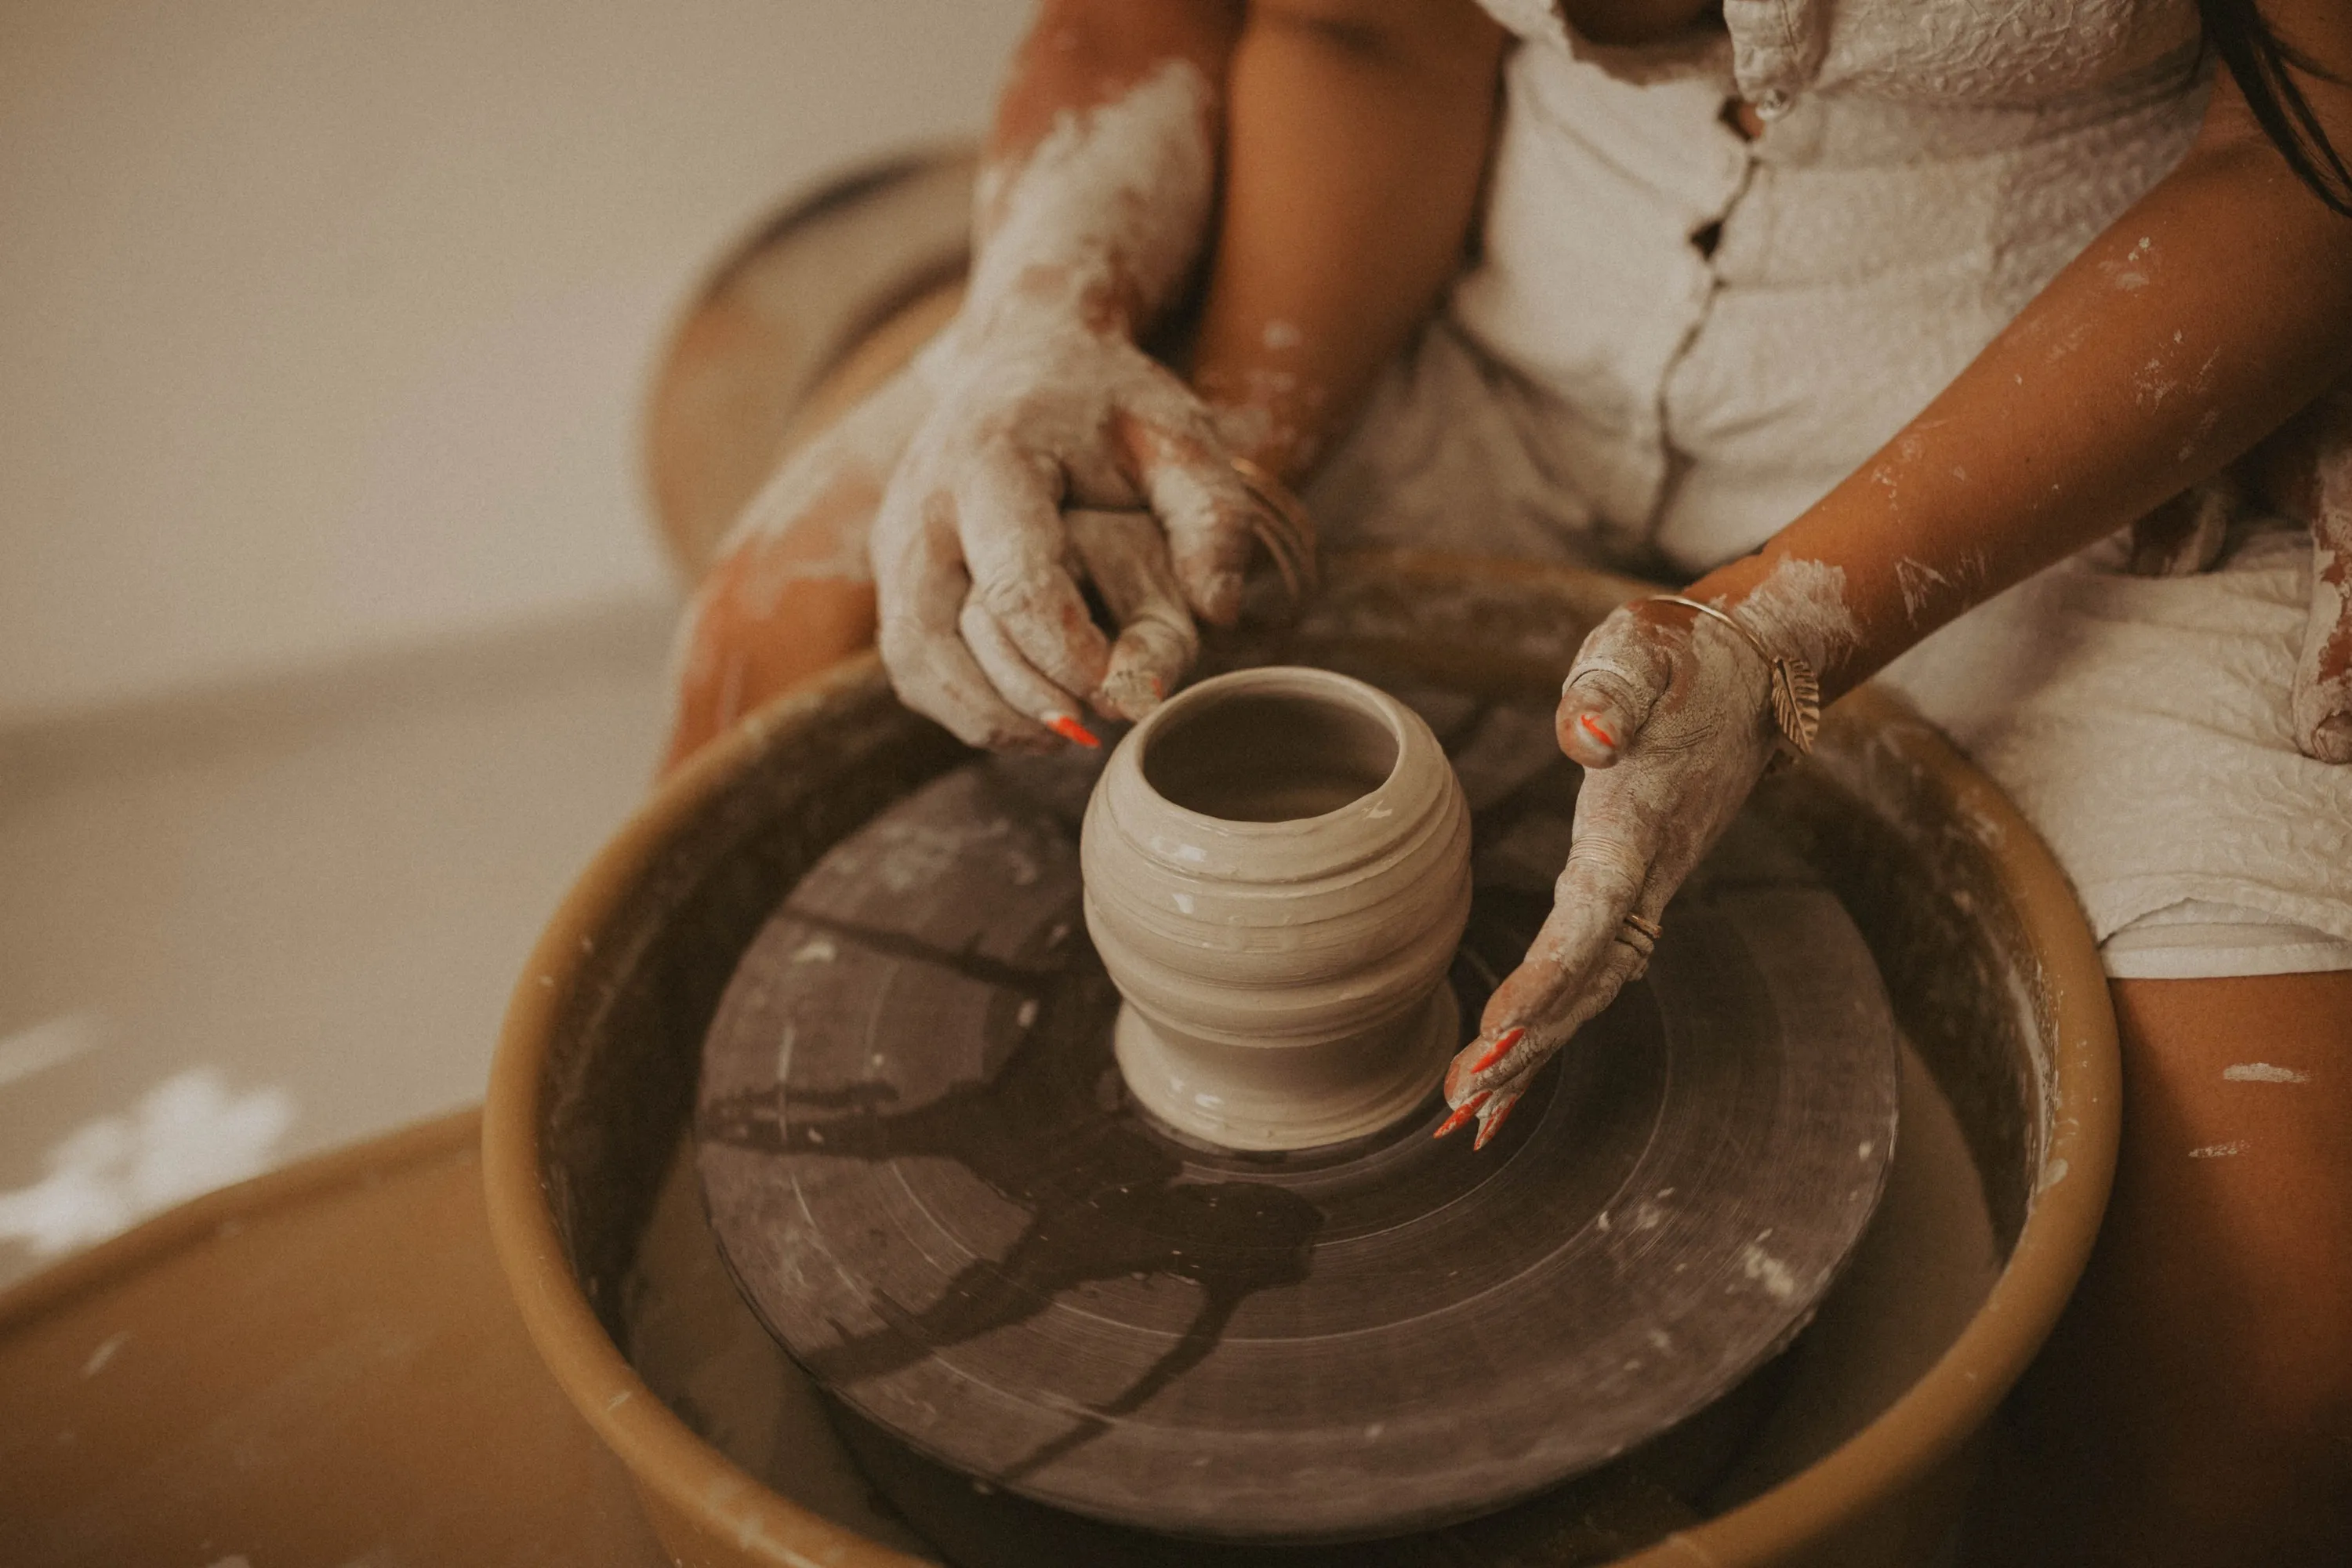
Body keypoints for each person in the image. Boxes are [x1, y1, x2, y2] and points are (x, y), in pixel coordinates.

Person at [664, 2, 2352, 1561]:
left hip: (2063, 432)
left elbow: (2307, 155)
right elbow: (1364, 28)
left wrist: (1785, 636)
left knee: (2271, 1346)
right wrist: (1217, 446)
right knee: (794, 626)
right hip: (1482, 310)